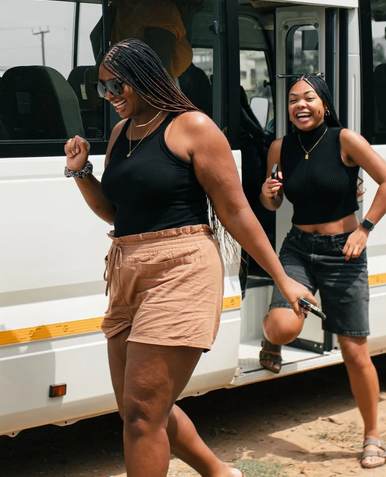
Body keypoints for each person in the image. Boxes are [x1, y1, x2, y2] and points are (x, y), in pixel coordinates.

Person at [64, 38, 314, 477]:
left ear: (145, 77)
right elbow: (116, 212)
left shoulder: (193, 127)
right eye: (102, 89)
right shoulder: (122, 134)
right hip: (125, 268)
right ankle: (220, 473)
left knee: (143, 414)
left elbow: (236, 211)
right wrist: (82, 172)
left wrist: (281, 278)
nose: (110, 97)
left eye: (117, 85)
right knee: (136, 408)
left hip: (181, 267)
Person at [259, 73, 386, 469]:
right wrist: (268, 196)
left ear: (323, 102)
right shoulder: (279, 147)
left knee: (354, 352)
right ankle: (271, 342)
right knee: (283, 326)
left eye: (308, 98)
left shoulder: (344, 140)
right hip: (298, 249)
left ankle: (372, 436)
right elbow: (271, 203)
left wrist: (365, 228)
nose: (300, 106)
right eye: (292, 100)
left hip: (344, 254)